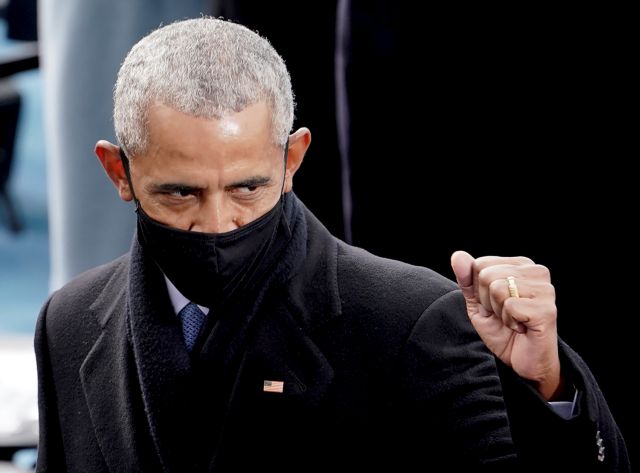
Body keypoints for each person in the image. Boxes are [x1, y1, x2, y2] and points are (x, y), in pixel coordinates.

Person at [34, 17, 630, 472]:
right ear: (119, 173)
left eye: (247, 188)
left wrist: (548, 385)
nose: (217, 224)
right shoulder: (68, 326)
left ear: (292, 159)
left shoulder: (411, 323)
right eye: (180, 195)